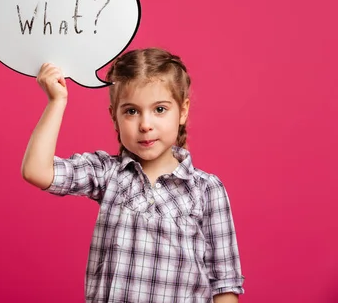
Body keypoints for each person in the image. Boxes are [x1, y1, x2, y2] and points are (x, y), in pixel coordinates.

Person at [21, 48, 245, 302]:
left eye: (160, 109)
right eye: (131, 111)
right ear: (114, 117)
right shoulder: (108, 174)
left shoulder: (206, 190)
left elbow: (225, 283)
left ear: (182, 112)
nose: (145, 124)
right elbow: (37, 171)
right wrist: (56, 101)